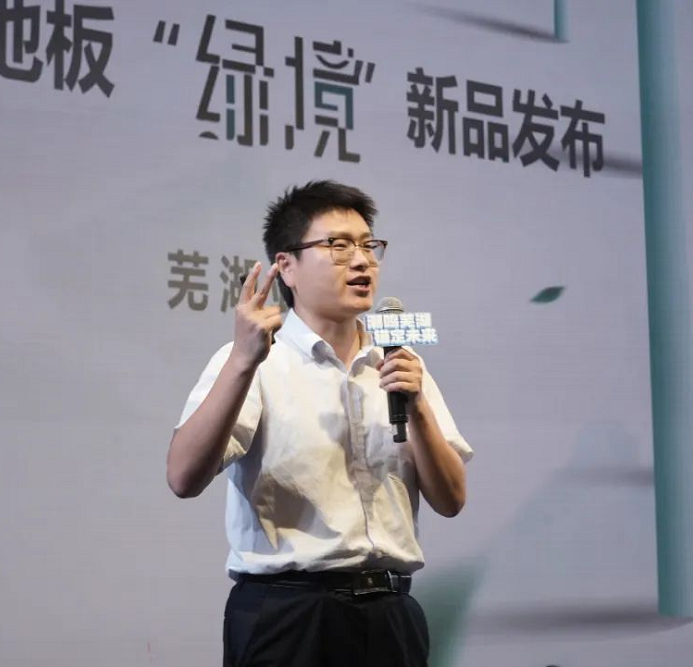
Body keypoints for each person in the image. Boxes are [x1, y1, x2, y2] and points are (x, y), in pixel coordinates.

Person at [166, 180, 473, 667]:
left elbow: (452, 499)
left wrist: (416, 408)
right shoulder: (254, 361)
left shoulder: (399, 364)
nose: (362, 261)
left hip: (392, 615)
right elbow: (183, 477)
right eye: (339, 246)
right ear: (286, 266)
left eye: (369, 245)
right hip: (290, 616)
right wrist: (243, 362)